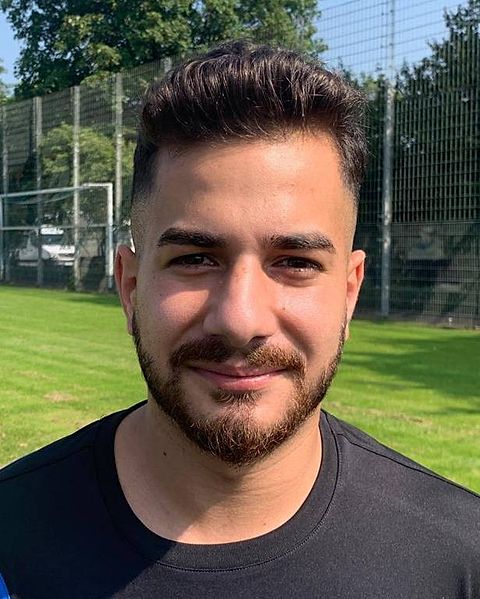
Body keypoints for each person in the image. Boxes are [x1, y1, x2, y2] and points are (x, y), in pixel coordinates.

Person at [0, 41, 478, 599]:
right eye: (195, 259)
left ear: (349, 293)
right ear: (130, 287)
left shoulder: (459, 560)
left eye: (295, 262)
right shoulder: (12, 539)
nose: (240, 319)